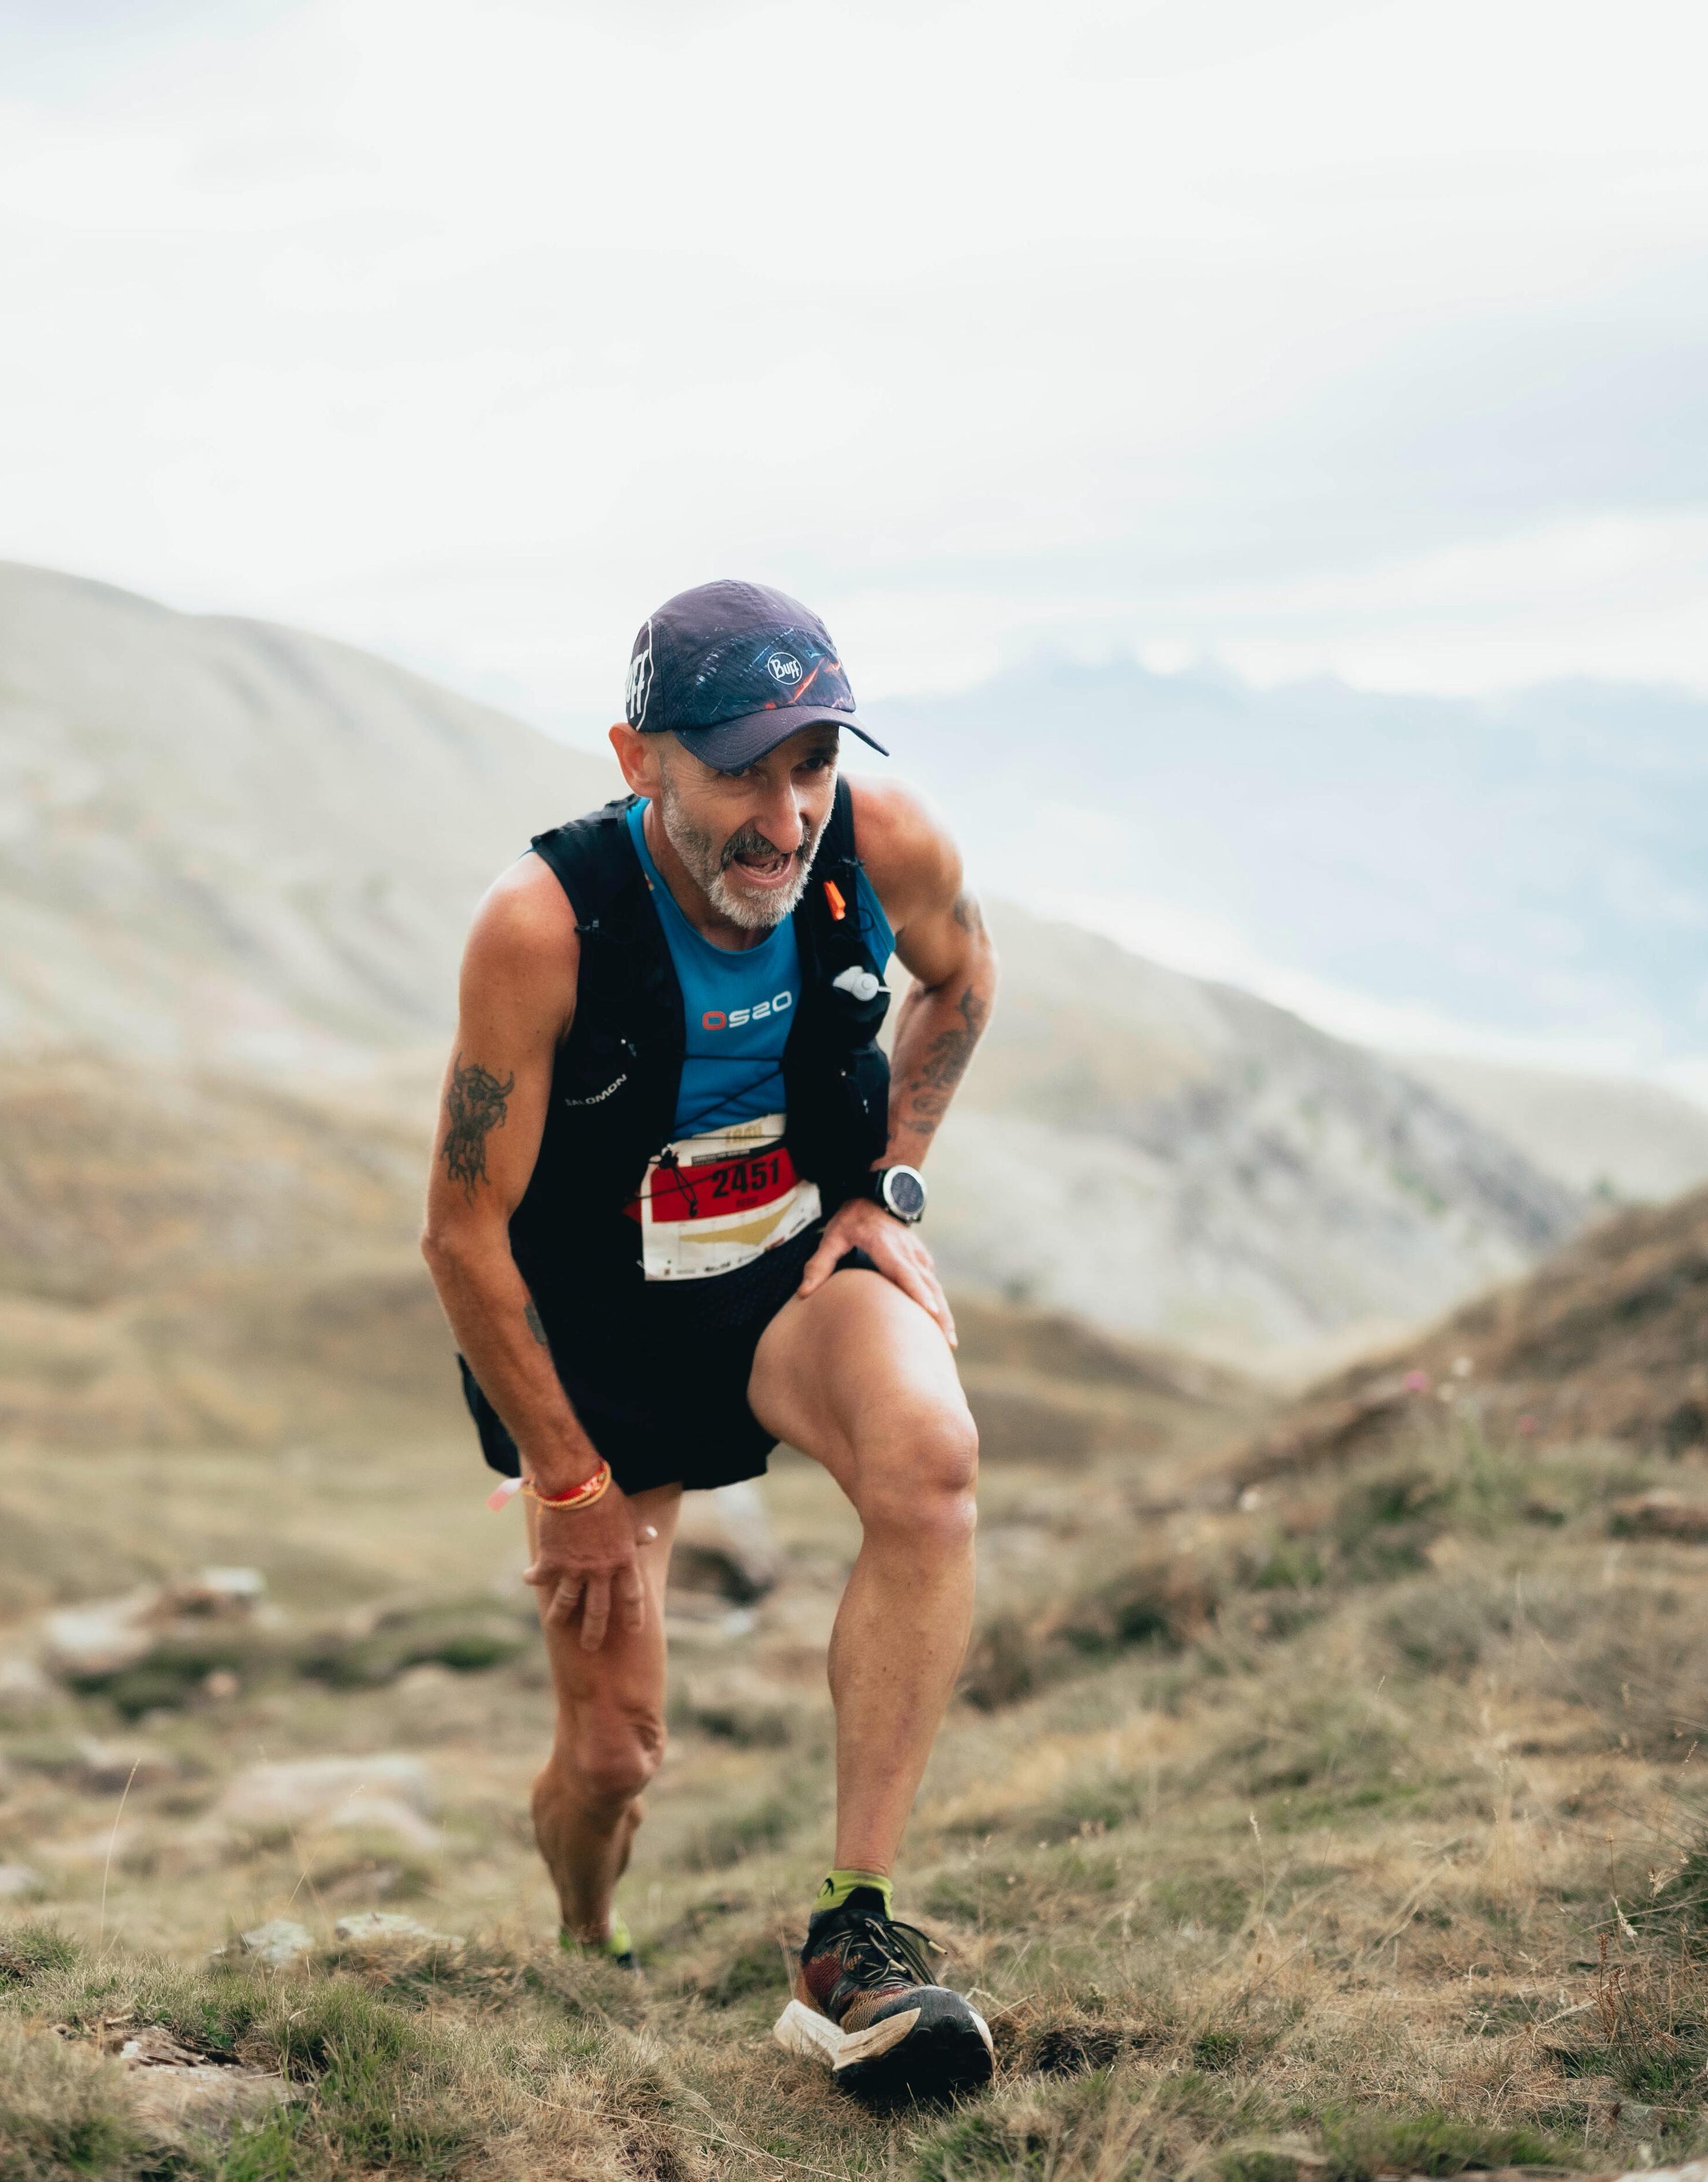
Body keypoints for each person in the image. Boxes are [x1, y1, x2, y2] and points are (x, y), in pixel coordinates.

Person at [419, 581, 1000, 2105]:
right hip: (601, 1345)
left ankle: (854, 1932)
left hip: (787, 1280)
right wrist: (565, 1480)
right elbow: (462, 1238)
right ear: (639, 759)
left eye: (811, 764)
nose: (785, 811)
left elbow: (964, 982)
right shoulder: (541, 926)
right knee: (615, 1751)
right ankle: (584, 1930)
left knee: (934, 1462)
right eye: (741, 769)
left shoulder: (890, 848)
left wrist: (889, 1180)